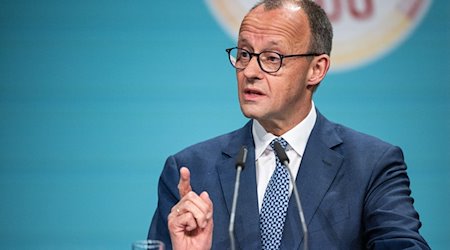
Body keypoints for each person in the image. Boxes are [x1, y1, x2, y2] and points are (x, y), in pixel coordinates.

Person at [148, 0, 429, 249]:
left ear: (316, 69)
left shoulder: (370, 165)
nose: (250, 71)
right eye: (244, 54)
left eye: (272, 58)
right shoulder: (190, 170)